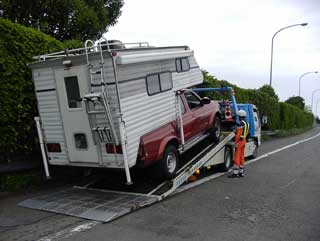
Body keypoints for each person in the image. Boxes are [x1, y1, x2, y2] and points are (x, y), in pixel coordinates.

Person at [229, 109, 250, 178]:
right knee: (241, 156)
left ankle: (235, 173)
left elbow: (238, 135)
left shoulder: (241, 124)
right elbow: (248, 134)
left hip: (239, 141)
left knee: (237, 156)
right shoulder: (247, 124)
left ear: (240, 116)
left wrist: (235, 142)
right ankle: (241, 172)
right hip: (244, 141)